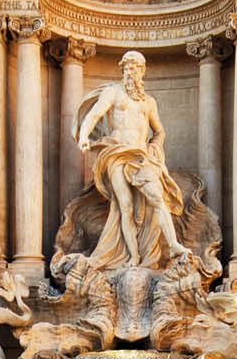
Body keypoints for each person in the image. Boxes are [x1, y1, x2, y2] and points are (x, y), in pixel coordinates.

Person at [75, 51, 190, 269]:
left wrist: (155, 146)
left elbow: (159, 131)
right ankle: (133, 257)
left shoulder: (148, 102)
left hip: (140, 156)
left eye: (135, 68)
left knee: (157, 198)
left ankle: (174, 244)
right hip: (117, 154)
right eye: (127, 68)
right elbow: (94, 115)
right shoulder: (113, 93)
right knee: (124, 206)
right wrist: (83, 136)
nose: (130, 71)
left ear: (142, 71)